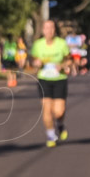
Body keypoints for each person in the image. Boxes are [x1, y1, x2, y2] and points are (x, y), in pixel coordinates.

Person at [30, 19, 72, 147]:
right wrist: (36, 63)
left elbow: (69, 61)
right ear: (43, 30)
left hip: (59, 79)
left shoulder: (61, 44)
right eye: (47, 28)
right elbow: (32, 62)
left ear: (55, 30)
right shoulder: (38, 45)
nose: (49, 31)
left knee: (58, 111)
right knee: (47, 109)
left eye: (52, 28)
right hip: (44, 79)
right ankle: (50, 134)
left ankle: (59, 124)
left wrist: (63, 65)